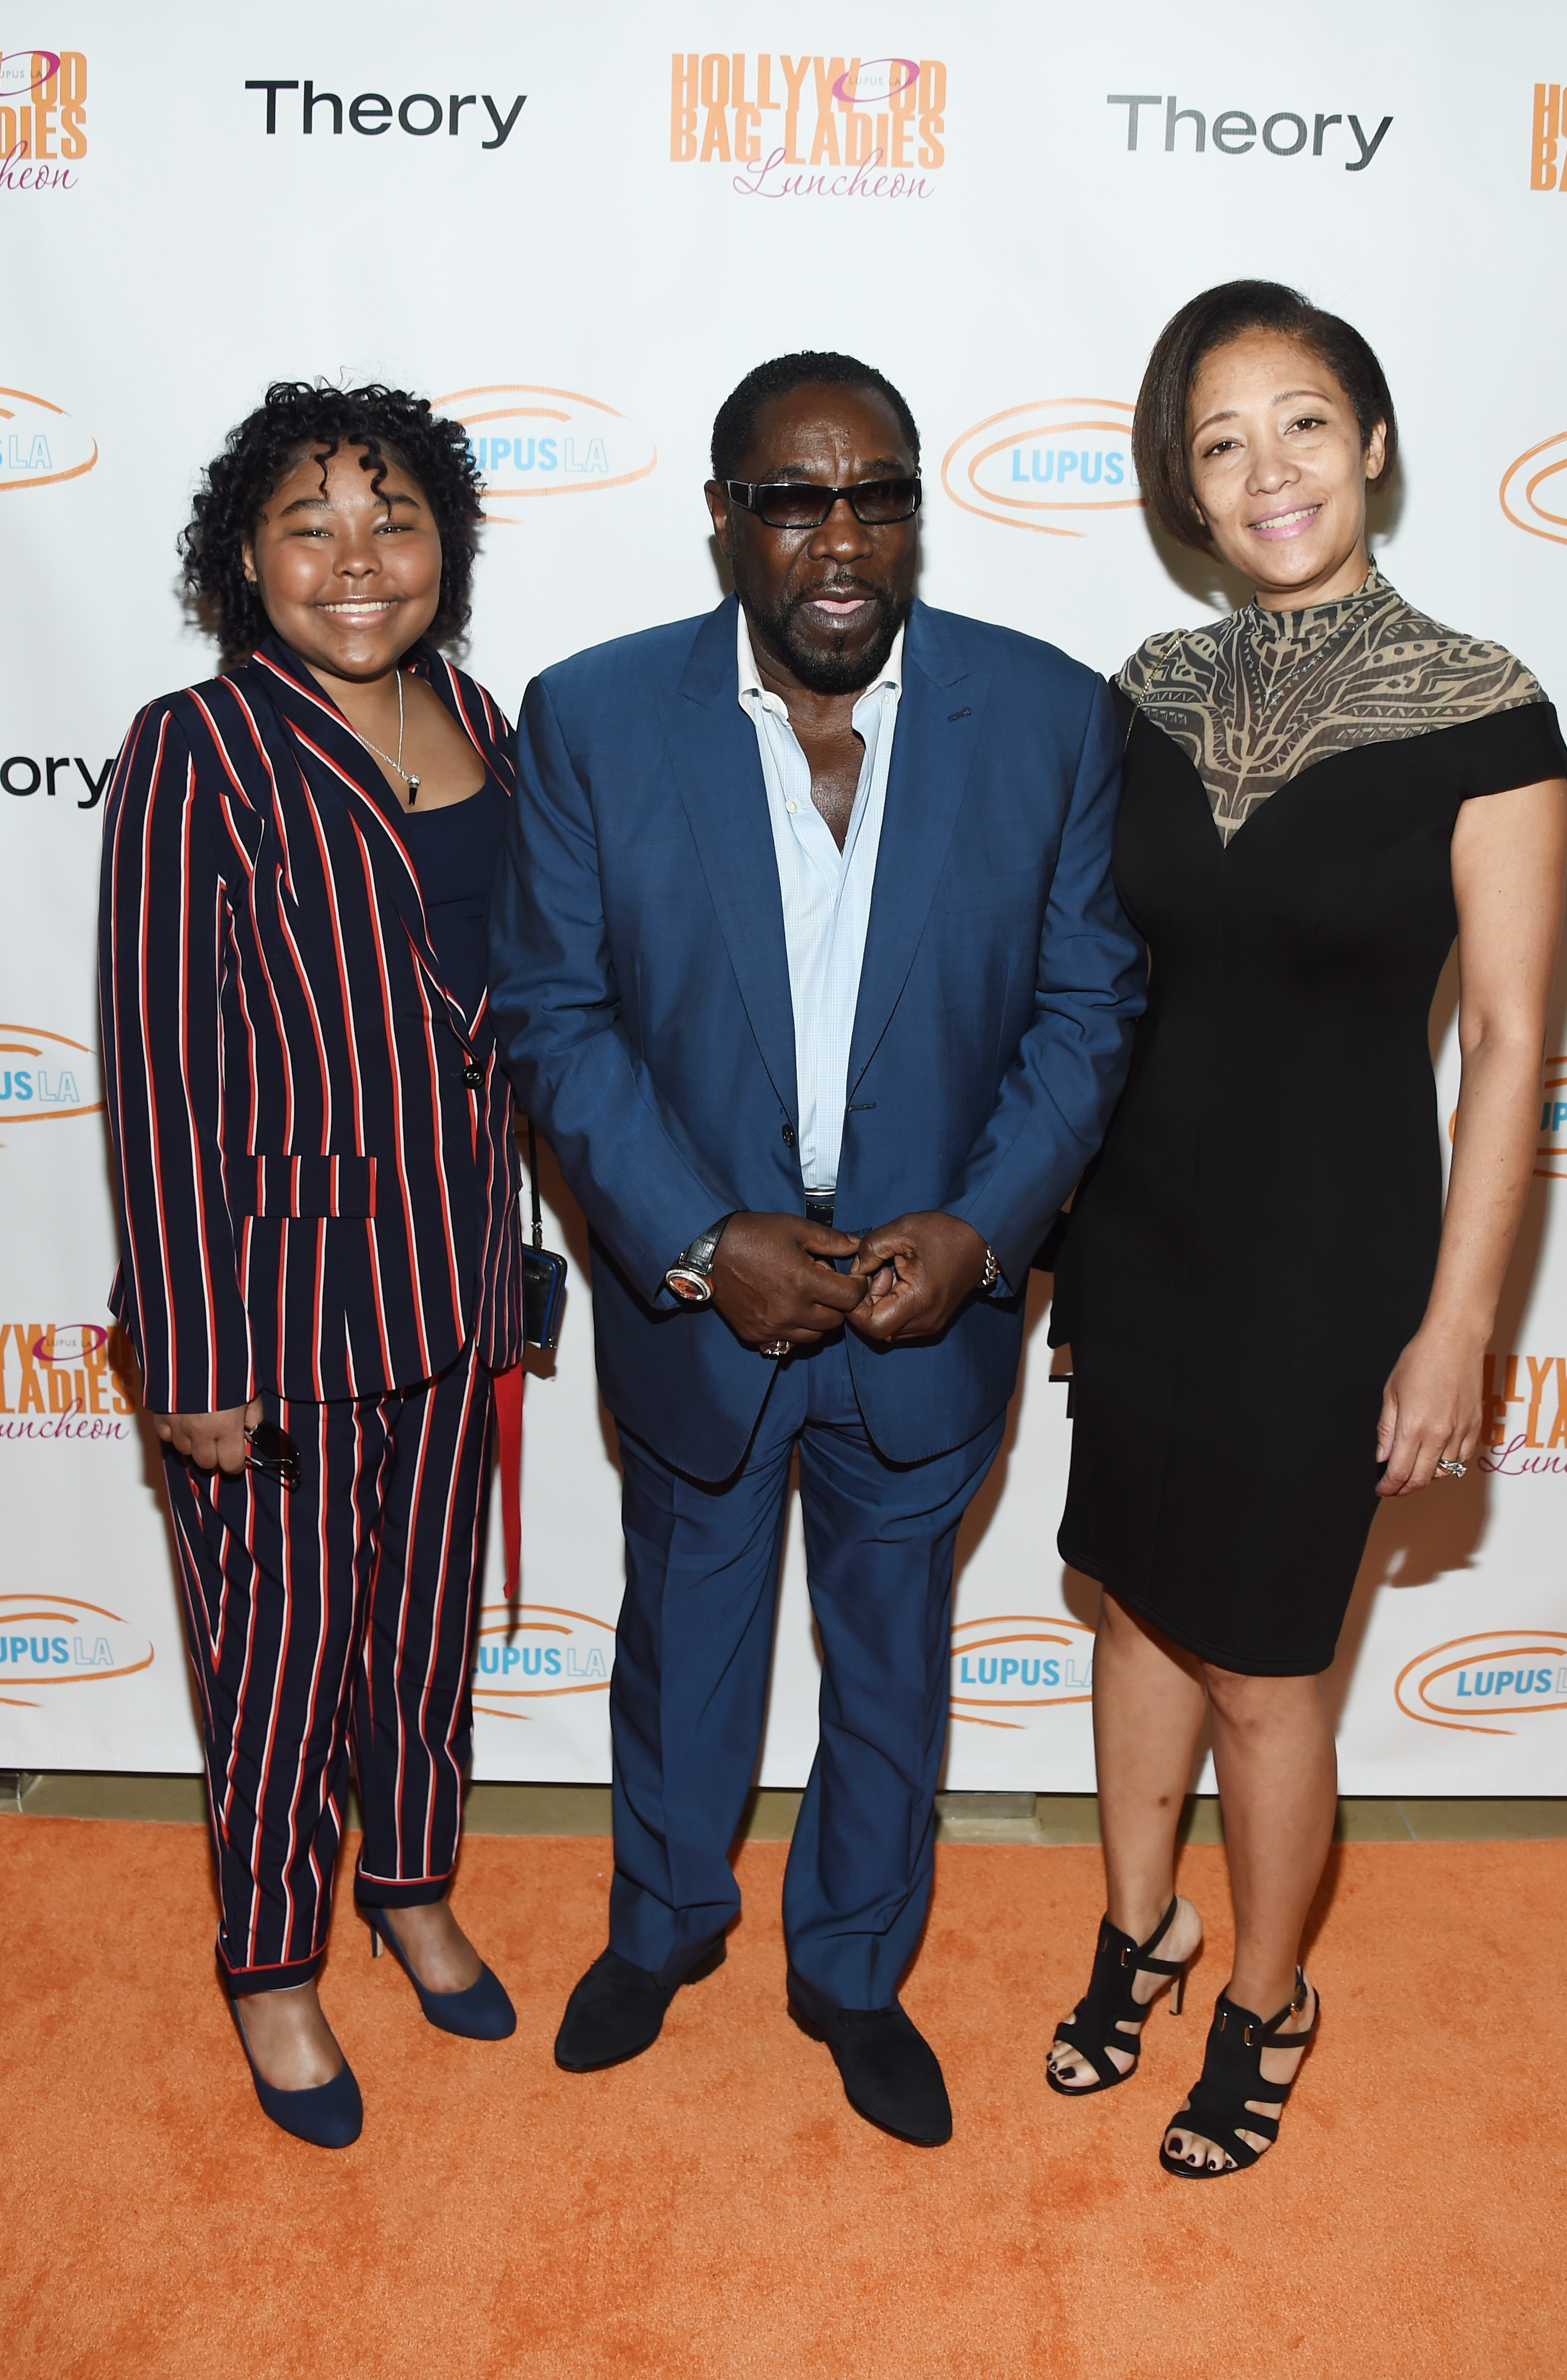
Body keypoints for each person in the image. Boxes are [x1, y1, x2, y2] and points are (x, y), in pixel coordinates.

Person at [490, 350, 1144, 2147]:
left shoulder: (1045, 717)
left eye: (879, 496)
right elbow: (553, 1014)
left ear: (916, 514)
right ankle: (660, 1925)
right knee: (682, 1647)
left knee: (892, 1667)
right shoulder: (595, 717)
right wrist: (701, 1242)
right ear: (725, 519)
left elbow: (1087, 1011)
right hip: (702, 1312)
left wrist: (985, 1226)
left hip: (931, 1314)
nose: (839, 537)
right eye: (794, 498)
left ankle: (851, 1973)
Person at [1045, 282, 1567, 2177]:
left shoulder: (1483, 709)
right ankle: (1140, 1929)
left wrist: (1458, 1331)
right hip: (1145, 1238)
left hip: (1334, 1262)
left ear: (1369, 444)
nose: (1265, 469)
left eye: (1299, 422)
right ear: (1180, 491)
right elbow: (1090, 989)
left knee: (1268, 1667)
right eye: (1216, 441)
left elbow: (1510, 1047)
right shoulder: (1147, 694)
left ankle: (1267, 1990)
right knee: (1128, 1610)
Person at [99, 383, 526, 2150]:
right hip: (268, 1312)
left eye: (395, 518)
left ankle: (410, 1883)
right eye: (311, 524)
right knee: (276, 1658)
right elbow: (156, 1057)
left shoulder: (480, 713)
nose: (359, 560)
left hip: (449, 1284)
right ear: (244, 558)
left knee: (419, 1637)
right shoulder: (195, 746)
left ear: (447, 547)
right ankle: (270, 1963)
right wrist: (189, 1347)